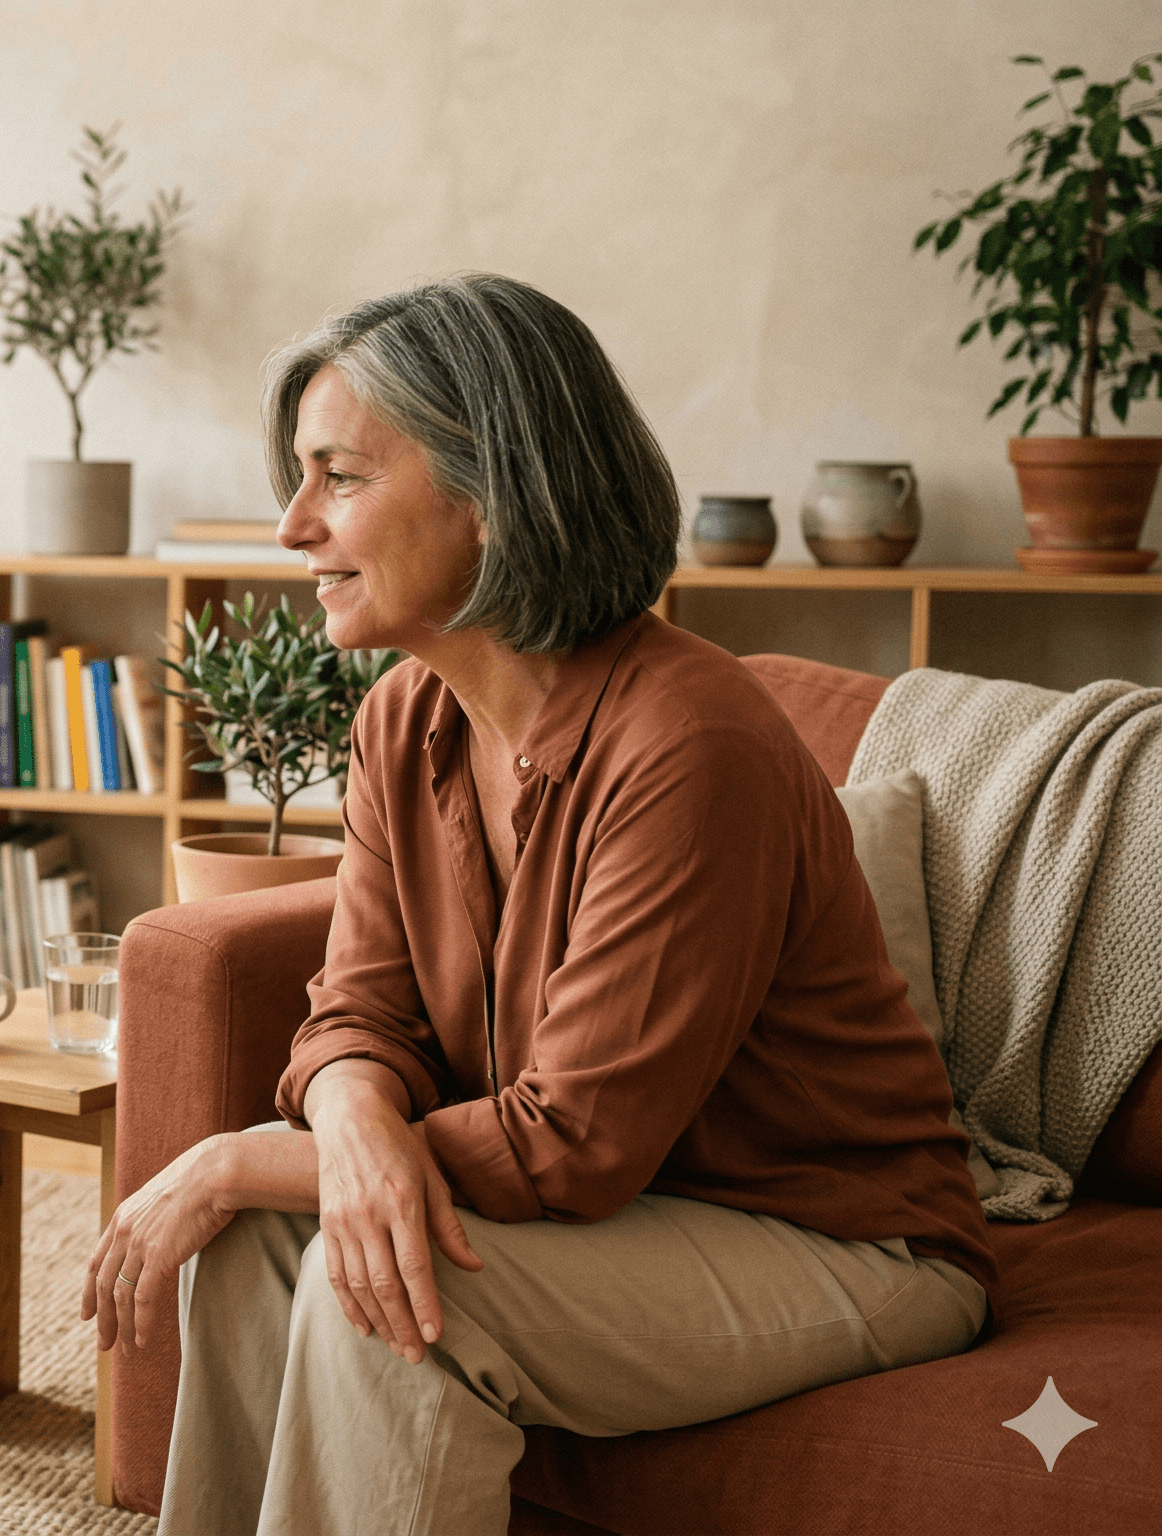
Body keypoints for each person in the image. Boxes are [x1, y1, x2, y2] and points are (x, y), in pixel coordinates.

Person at [80, 274, 992, 1534]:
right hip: (625, 1210)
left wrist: (243, 1155)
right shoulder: (405, 716)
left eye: (337, 477)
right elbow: (357, 1012)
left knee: (388, 1297)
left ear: (492, 496)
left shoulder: (691, 741)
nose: (291, 525)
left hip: (836, 1240)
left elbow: (573, 1145)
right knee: (256, 1244)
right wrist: (343, 1130)